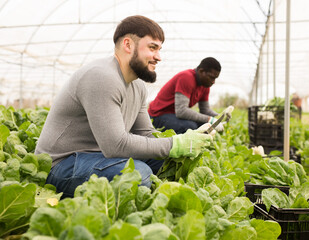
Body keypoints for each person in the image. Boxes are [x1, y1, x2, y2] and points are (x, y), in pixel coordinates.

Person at [35, 15, 213, 198]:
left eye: (159, 49)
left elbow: (146, 134)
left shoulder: (138, 86)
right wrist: (174, 144)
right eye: (152, 48)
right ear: (128, 45)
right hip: (63, 165)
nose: (158, 57)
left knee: (170, 161)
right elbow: (115, 145)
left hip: (100, 157)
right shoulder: (101, 76)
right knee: (137, 175)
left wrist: (183, 143)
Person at [148, 57, 225, 134]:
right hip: (158, 115)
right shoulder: (186, 77)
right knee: (190, 127)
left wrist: (220, 117)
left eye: (215, 78)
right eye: (211, 77)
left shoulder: (205, 85)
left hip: (174, 115)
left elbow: (205, 110)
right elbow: (181, 111)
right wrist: (210, 119)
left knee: (206, 125)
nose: (213, 82)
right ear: (201, 71)